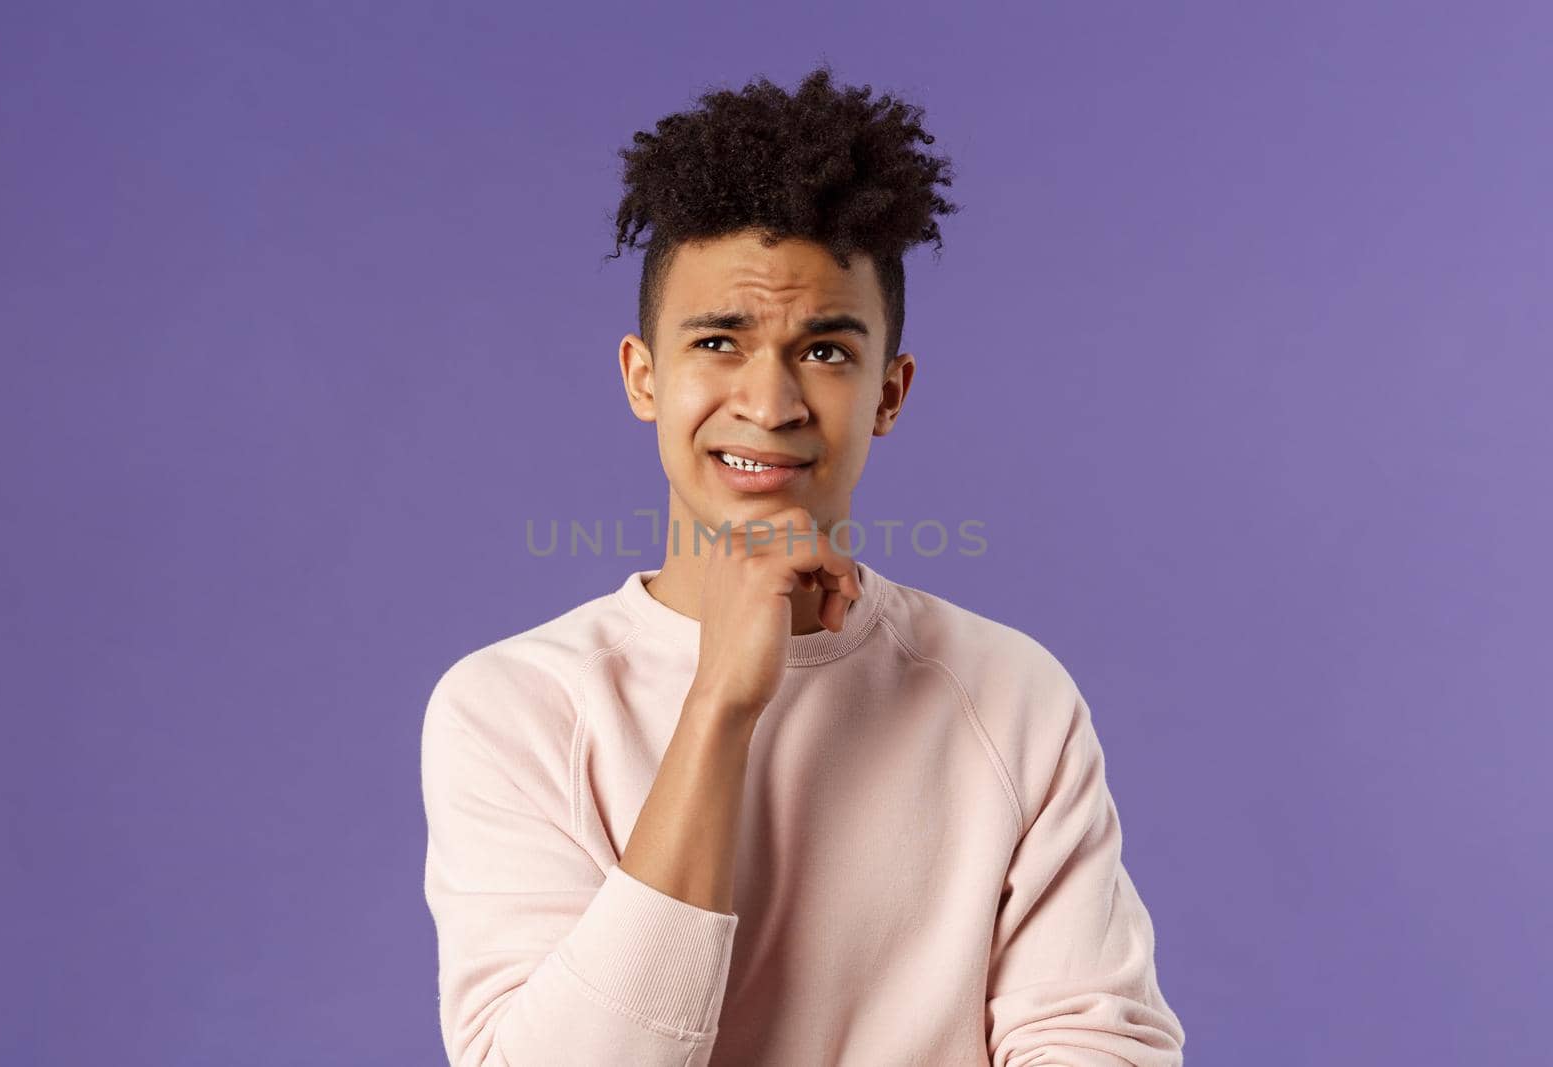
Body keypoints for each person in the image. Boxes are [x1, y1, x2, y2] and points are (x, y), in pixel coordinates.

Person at [419, 64, 1185, 1066]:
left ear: (890, 392)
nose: (770, 400)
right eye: (719, 340)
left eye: (824, 350)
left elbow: (1097, 1046)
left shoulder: (1009, 694)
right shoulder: (513, 706)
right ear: (643, 375)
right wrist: (718, 708)